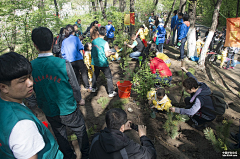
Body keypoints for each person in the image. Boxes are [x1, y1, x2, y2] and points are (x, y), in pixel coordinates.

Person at [30, 27, 89, 159]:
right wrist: (79, 99)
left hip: (49, 110)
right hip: (68, 108)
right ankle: (85, 154)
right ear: (53, 42)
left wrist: (35, 105)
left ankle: (68, 156)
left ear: (35, 45)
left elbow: (30, 91)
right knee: (80, 129)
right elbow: (74, 85)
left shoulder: (31, 66)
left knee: (59, 133)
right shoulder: (62, 63)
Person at [0, 52, 64, 159]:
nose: (30, 83)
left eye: (30, 77)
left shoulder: (6, 105)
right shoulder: (22, 126)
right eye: (22, 80)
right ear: (3, 87)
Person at [89, 108, 157, 159]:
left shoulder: (96, 138)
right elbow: (151, 155)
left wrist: (120, 130)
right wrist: (143, 136)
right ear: (122, 127)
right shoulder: (128, 147)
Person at [61, 25, 91, 90]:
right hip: (78, 59)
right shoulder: (76, 38)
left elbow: (63, 53)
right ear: (73, 32)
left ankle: (78, 87)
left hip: (69, 61)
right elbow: (81, 47)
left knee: (75, 74)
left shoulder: (64, 41)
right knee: (83, 73)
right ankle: (87, 86)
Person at [91, 26, 117, 97]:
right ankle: (110, 92)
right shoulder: (105, 43)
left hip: (96, 62)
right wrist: (112, 52)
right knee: (108, 77)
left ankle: (93, 88)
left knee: (95, 75)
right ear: (105, 34)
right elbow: (107, 54)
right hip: (103, 63)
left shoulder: (93, 41)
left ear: (98, 32)